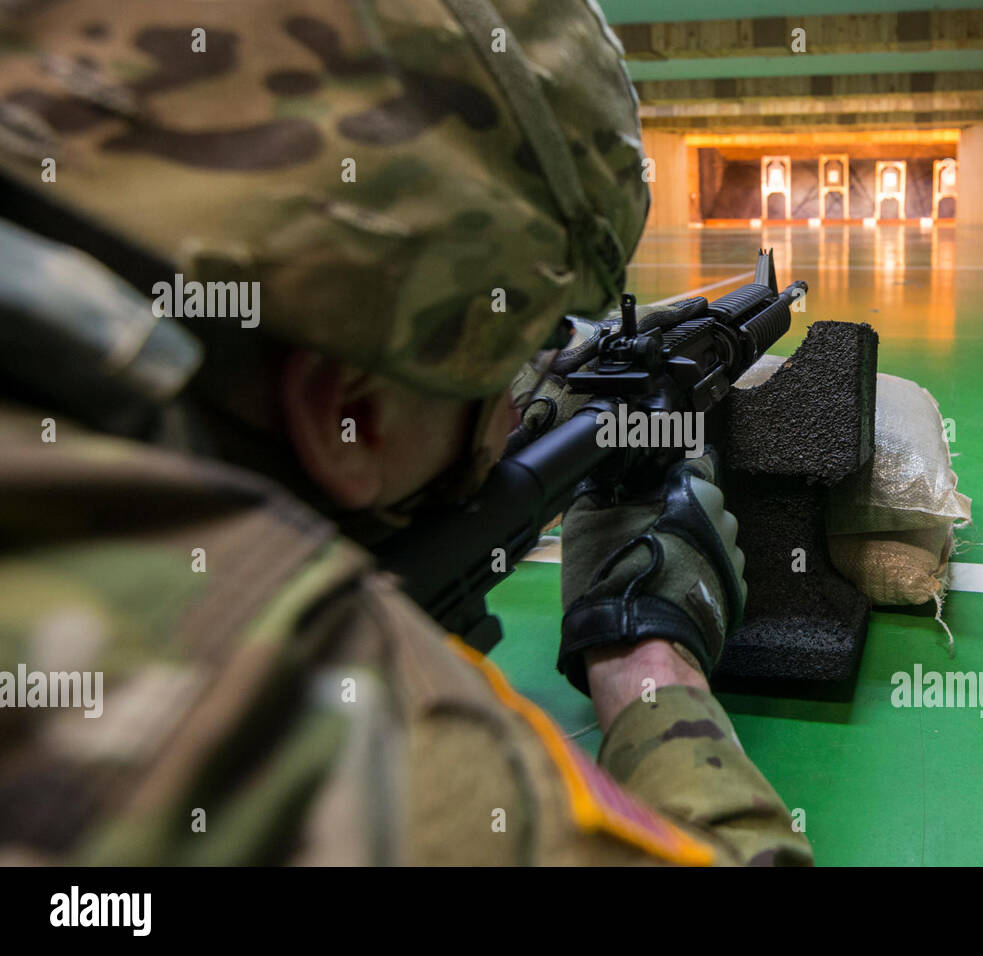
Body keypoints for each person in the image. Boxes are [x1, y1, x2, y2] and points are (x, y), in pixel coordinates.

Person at [0, 0, 813, 865]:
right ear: (347, 414)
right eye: (511, 363)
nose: (514, 410)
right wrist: (649, 656)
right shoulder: (295, 739)